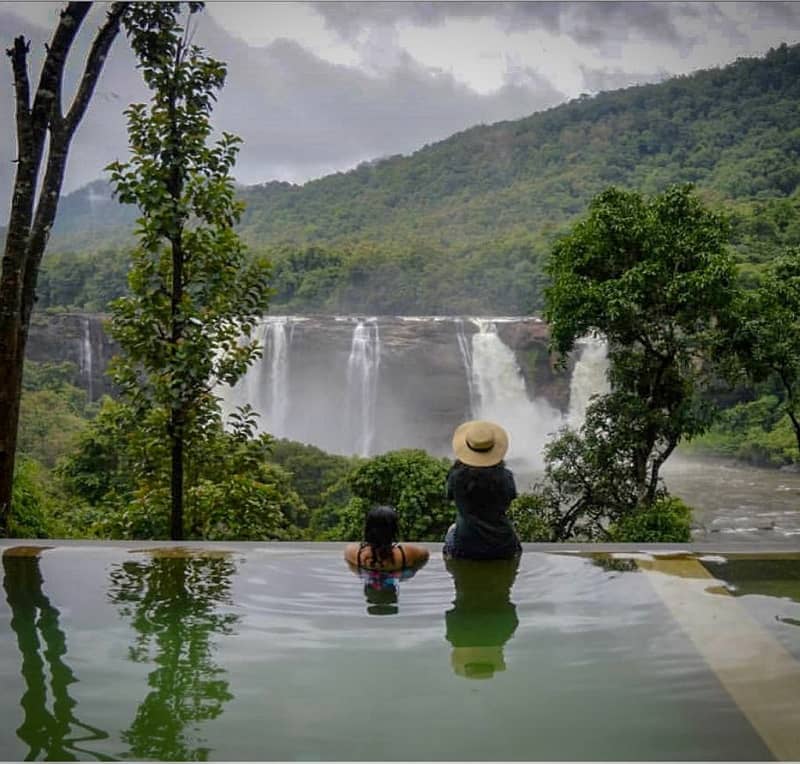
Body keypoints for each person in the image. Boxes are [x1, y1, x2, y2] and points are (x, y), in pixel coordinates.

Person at [443, 420, 522, 560]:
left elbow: (448, 497)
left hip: (465, 546)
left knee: (451, 530)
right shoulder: (506, 477)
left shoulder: (455, 477)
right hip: (504, 545)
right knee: (514, 538)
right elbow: (510, 498)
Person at [344, 505, 429, 615]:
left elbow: (348, 556)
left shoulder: (356, 553)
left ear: (368, 529)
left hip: (366, 571)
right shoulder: (406, 553)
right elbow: (425, 554)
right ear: (394, 530)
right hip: (399, 569)